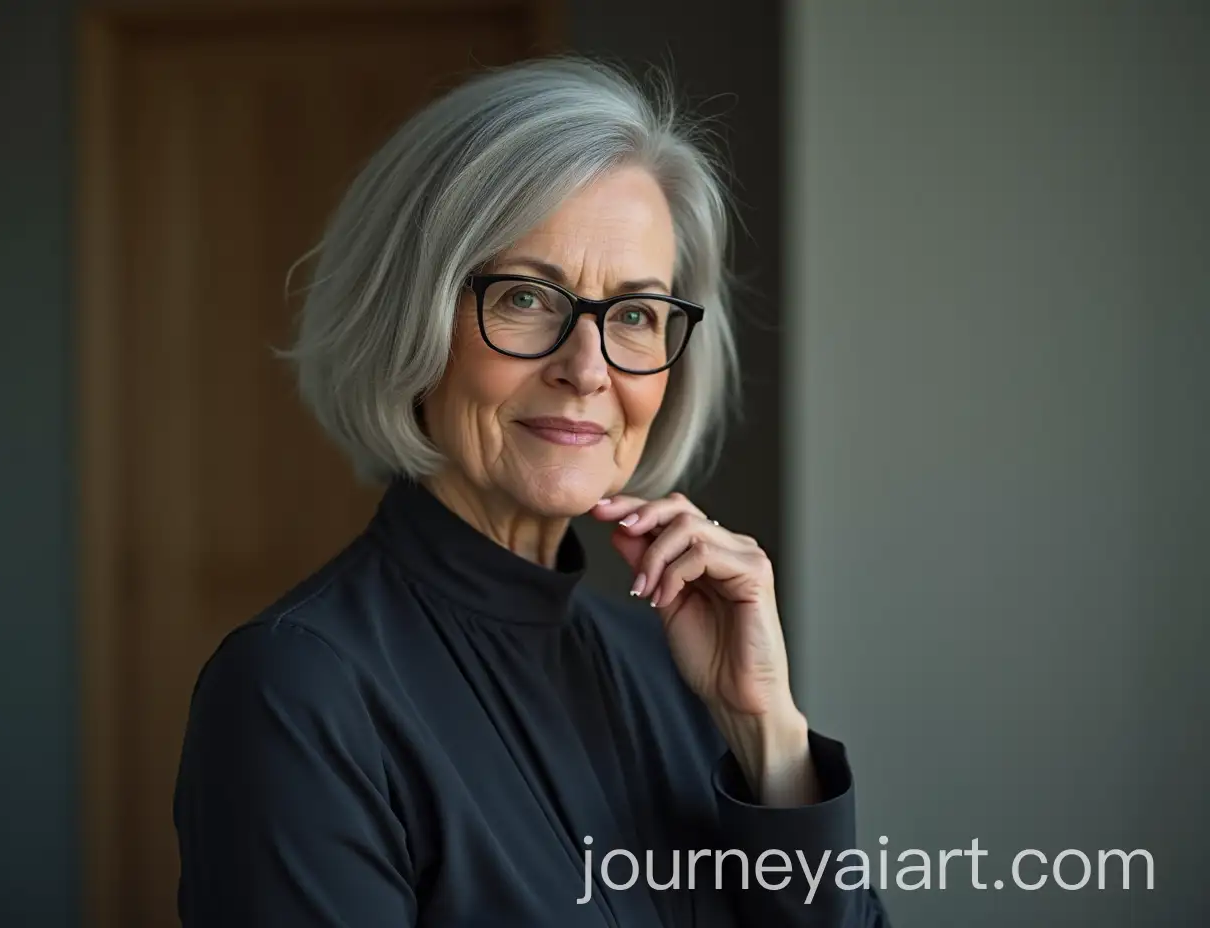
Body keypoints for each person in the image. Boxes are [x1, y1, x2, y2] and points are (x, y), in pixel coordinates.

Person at [173, 56, 889, 927]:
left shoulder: (676, 663)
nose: (586, 369)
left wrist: (767, 736)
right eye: (524, 297)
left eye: (633, 314)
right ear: (413, 318)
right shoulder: (295, 689)